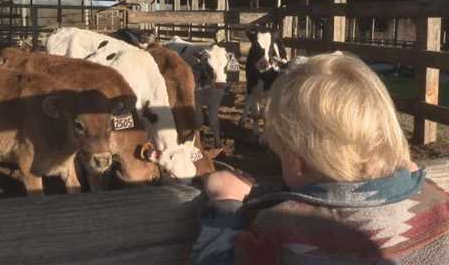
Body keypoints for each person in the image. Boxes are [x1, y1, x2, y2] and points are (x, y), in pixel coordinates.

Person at [190, 52, 449, 265]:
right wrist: (411, 180)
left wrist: (226, 203)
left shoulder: (282, 229)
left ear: (297, 161)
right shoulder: (438, 202)